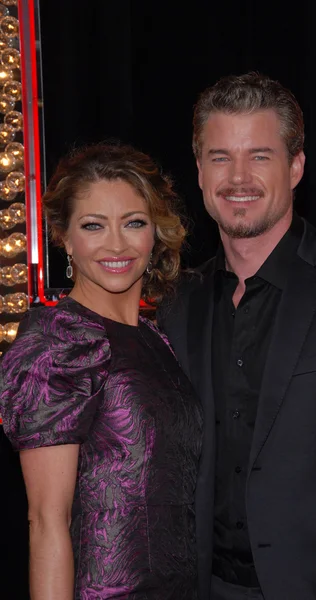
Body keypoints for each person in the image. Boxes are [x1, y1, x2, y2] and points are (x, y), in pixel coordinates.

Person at [157, 72, 316, 600]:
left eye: (260, 156)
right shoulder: (179, 303)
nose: (237, 177)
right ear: (199, 171)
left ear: (296, 167)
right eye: (220, 157)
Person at [0, 143, 202, 600]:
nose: (116, 244)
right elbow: (46, 522)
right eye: (93, 226)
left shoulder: (158, 338)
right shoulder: (60, 341)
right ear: (65, 238)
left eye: (133, 223)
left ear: (155, 233)